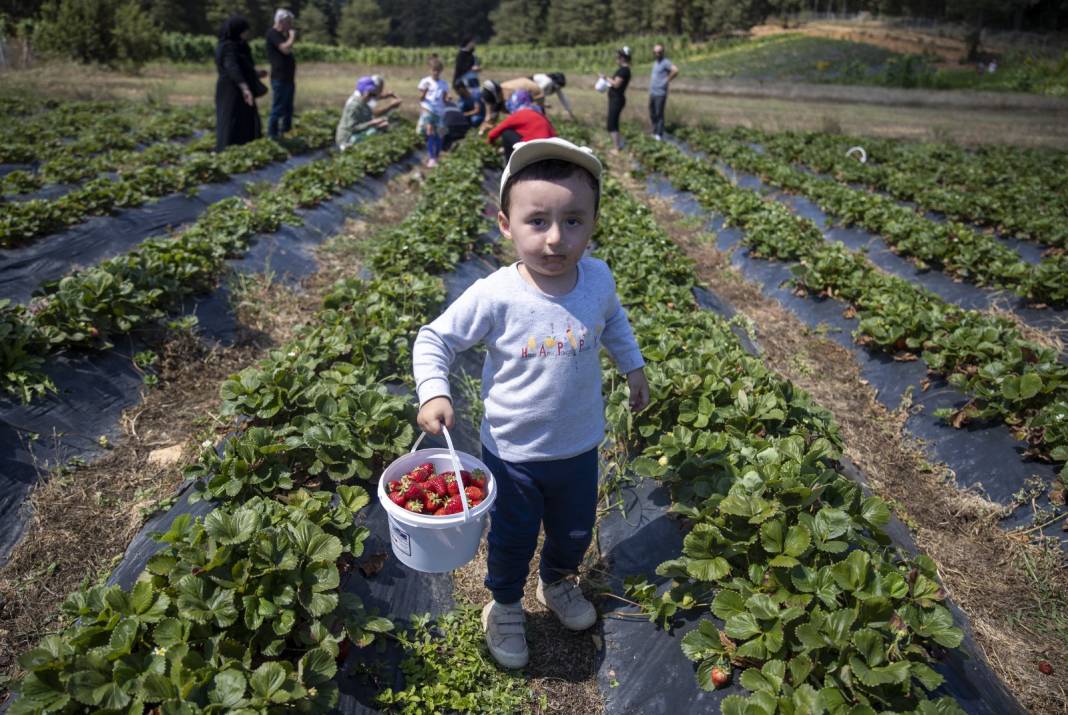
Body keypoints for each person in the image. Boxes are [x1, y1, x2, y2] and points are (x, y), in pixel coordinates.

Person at [413, 137, 650, 670]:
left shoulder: (598, 279)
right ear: (506, 224)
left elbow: (613, 322)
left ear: (593, 224)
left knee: (574, 530)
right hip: (513, 451)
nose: (555, 238)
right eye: (537, 221)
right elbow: (435, 339)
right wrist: (434, 391)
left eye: (573, 221)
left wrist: (632, 366)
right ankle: (504, 603)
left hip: (579, 445)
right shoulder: (497, 293)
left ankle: (558, 583)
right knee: (514, 537)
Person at [215, 16, 267, 152]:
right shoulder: (228, 47)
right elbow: (232, 68)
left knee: (246, 122)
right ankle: (229, 151)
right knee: (232, 121)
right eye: (245, 31)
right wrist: (244, 88)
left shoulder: (241, 46)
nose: (247, 34)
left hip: (242, 90)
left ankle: (246, 149)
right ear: (237, 30)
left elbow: (243, 66)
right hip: (231, 92)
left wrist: (255, 73)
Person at [485, 91, 555, 159]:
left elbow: (493, 134)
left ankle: (509, 166)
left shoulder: (519, 114)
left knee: (507, 133)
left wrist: (491, 144)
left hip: (533, 150)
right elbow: (553, 133)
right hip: (550, 150)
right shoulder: (538, 113)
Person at [265, 8, 296, 139]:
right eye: (288, 22)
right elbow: (284, 49)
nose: (290, 26)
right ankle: (273, 135)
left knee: (288, 108)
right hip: (279, 78)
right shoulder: (272, 34)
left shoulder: (282, 35)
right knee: (278, 108)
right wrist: (292, 37)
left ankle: (286, 132)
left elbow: (287, 51)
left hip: (288, 78)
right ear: (280, 21)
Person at [336, 76, 390, 150]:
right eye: (370, 94)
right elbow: (352, 128)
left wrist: (378, 124)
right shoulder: (354, 106)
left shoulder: (364, 103)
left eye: (373, 94)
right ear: (364, 92)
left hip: (358, 133)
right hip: (347, 138)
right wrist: (372, 123)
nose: (372, 97)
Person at [418, 55, 450, 168]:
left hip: (439, 110)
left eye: (437, 70)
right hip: (428, 108)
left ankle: (436, 155)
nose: (435, 72)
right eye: (433, 70)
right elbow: (421, 98)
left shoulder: (444, 84)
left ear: (440, 71)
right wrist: (425, 91)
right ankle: (432, 157)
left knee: (440, 133)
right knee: (430, 130)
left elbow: (445, 100)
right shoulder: (425, 82)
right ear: (430, 70)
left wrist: (448, 99)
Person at [602, 47, 631, 151]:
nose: (616, 58)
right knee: (612, 122)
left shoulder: (624, 70)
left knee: (612, 123)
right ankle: (617, 145)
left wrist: (606, 78)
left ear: (623, 58)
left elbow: (616, 84)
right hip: (615, 99)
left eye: (618, 56)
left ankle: (616, 147)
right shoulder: (623, 69)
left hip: (617, 100)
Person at [648, 44, 679, 141]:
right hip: (653, 92)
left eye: (659, 52)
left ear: (663, 52)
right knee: (652, 112)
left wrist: (667, 80)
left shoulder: (666, 62)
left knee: (659, 113)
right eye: (655, 52)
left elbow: (675, 70)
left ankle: (659, 134)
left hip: (660, 93)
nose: (657, 54)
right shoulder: (655, 63)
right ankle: (654, 130)